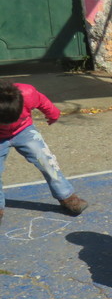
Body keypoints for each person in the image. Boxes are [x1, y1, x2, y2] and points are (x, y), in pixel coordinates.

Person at [0, 81, 87, 225]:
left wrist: (53, 114)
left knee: (47, 162)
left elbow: (42, 101)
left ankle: (66, 196)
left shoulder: (27, 93)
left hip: (24, 130)